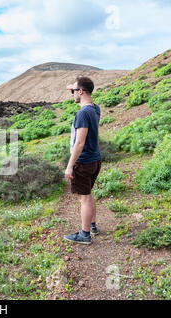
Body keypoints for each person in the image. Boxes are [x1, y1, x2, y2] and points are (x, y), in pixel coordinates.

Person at [63, 76, 102, 245]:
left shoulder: (82, 113)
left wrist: (70, 166)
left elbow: (79, 143)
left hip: (83, 162)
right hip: (95, 159)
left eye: (74, 91)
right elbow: (80, 90)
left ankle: (85, 234)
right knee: (88, 194)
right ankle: (92, 225)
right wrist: (73, 86)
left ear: (81, 91)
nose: (72, 94)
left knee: (84, 199)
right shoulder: (95, 108)